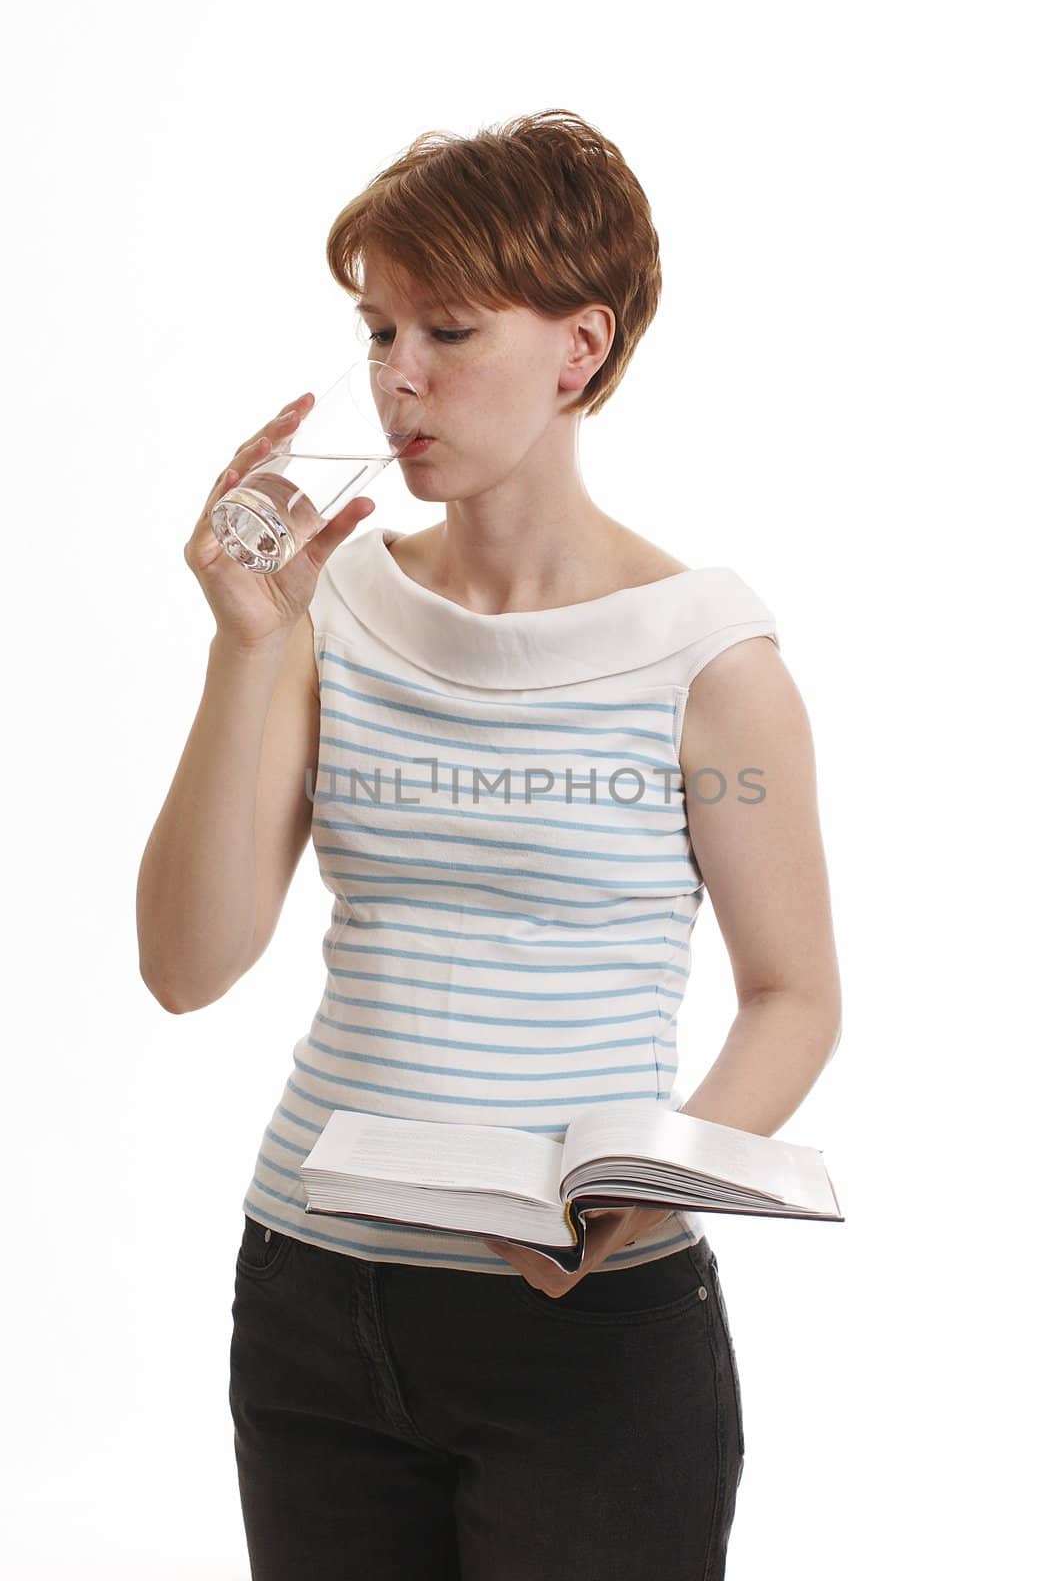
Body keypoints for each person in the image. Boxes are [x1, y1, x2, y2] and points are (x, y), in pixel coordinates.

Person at [136, 109, 842, 1581]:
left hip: (587, 1327)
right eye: (378, 326)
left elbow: (796, 994)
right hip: (313, 1298)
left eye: (447, 331)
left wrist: (653, 1186)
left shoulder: (711, 655)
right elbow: (186, 967)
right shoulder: (330, 609)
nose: (397, 375)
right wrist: (244, 649)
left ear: (579, 351)